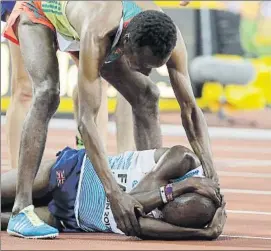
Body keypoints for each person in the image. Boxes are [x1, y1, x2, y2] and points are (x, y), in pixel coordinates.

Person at [2, 1, 218, 238]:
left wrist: (211, 173)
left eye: (154, 67)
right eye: (142, 64)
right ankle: (21, 208)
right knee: (47, 93)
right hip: (39, 12)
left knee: (146, 94)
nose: (147, 72)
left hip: (85, 25)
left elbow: (190, 110)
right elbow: (86, 121)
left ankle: (149, 177)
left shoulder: (172, 37)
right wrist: (114, 194)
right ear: (126, 43)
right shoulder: (98, 32)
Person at [2, 144, 226, 240]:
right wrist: (179, 187)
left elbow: (137, 226)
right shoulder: (182, 159)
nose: (160, 214)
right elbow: (129, 202)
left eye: (167, 218)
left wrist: (203, 234)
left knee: (9, 219)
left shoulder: (193, 218)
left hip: (72, 219)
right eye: (165, 209)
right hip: (72, 172)